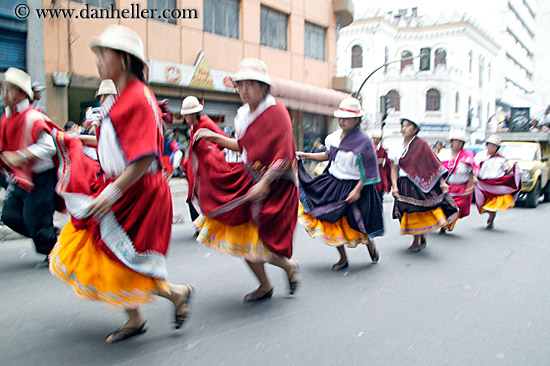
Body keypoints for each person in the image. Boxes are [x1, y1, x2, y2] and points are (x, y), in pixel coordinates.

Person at [48, 25, 192, 343]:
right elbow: (110, 147)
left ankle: (173, 296)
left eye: (104, 54)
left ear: (125, 60)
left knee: (123, 259)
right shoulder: (121, 99)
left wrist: (112, 193)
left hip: (138, 192)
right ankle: (140, 314)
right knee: (105, 254)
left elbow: (143, 158)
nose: (98, 60)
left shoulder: (139, 97)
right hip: (123, 188)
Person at [192, 58, 300, 302]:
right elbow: (242, 147)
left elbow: (284, 155)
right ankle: (266, 284)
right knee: (242, 239)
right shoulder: (242, 115)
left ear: (263, 87)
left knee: (261, 243)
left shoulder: (277, 112)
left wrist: (264, 183)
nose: (243, 90)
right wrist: (214, 136)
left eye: (250, 85)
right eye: (240, 85)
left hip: (275, 184)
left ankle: (288, 267)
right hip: (249, 179)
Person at [296, 98, 383, 271]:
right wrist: (305, 155)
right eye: (340, 117)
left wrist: (358, 190)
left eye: (346, 118)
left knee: (356, 223)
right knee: (331, 221)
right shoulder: (333, 138)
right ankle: (343, 258)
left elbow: (370, 171)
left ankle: (369, 244)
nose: (341, 121)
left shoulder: (364, 142)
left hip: (355, 187)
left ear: (356, 120)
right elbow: (328, 156)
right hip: (334, 183)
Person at [0, 68, 60, 266]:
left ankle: (55, 251)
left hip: (41, 178)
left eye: (7, 89)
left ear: (21, 94)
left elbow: (51, 146)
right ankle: (50, 236)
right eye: (2, 89)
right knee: (10, 216)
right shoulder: (6, 119)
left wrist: (21, 156)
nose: (3, 94)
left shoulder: (33, 117)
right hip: (20, 180)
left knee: (36, 221)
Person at [390, 116, 459, 253]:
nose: (404, 129)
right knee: (406, 211)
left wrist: (442, 182)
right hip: (403, 182)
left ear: (415, 129)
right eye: (402, 126)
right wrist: (394, 186)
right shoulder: (396, 146)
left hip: (418, 183)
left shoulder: (421, 145)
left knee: (416, 210)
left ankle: (416, 241)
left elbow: (433, 165)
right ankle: (421, 236)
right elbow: (394, 168)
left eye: (408, 126)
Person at [180, 95, 227, 225]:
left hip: (207, 167)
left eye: (187, 115)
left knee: (205, 196)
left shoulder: (205, 122)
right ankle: (200, 224)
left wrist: (211, 150)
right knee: (194, 196)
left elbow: (222, 138)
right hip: (197, 169)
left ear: (194, 113)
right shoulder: (192, 127)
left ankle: (205, 224)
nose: (185, 118)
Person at [474, 135, 521, 229]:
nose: (491, 147)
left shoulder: (501, 159)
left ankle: (491, 222)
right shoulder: (480, 155)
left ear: (497, 148)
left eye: (494, 146)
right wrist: (474, 176)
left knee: (493, 206)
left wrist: (515, 167)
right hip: (482, 183)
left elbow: (507, 170)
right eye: (490, 145)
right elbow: (475, 166)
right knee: (482, 204)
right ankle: (488, 214)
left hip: (496, 185)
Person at [437, 130, 476, 234]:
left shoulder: (468, 155)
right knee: (443, 206)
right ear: (451, 142)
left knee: (457, 207)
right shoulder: (443, 154)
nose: (458, 144)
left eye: (460, 142)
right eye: (456, 141)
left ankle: (448, 223)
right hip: (446, 186)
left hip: (461, 187)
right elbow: (438, 170)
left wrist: (470, 186)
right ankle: (443, 225)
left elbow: (471, 172)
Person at [371, 129, 392, 199]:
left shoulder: (383, 150)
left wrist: (383, 161)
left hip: (379, 177)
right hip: (370, 177)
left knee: (379, 197)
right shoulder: (369, 149)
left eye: (377, 139)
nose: (375, 140)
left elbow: (389, 162)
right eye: (374, 138)